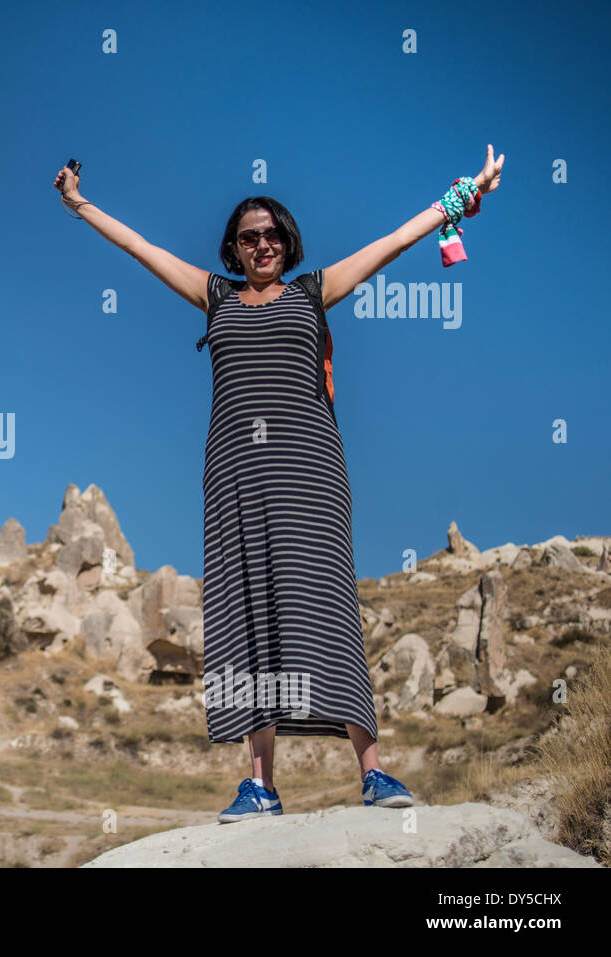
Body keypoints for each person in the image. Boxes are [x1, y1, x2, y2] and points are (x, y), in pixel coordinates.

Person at [53, 146, 505, 822]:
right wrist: (81, 205)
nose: (261, 244)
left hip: (310, 472)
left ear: (286, 241)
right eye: (248, 237)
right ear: (234, 249)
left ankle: (373, 772)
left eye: (270, 234)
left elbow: (392, 242)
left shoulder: (312, 291)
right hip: (236, 474)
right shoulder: (214, 295)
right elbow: (142, 248)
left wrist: (461, 195)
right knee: (247, 614)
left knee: (325, 605)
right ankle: (259, 784)